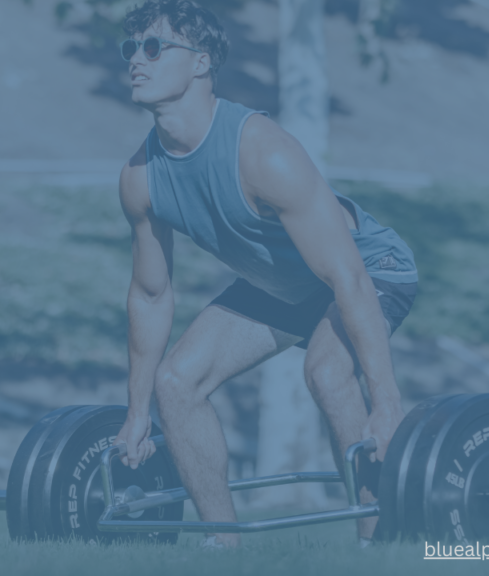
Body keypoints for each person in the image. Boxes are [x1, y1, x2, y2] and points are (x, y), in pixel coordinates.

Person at [111, 0, 418, 548]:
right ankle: (221, 543)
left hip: (370, 267)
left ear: (201, 62)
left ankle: (378, 544)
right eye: (130, 48)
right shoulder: (140, 178)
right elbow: (151, 295)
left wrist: (388, 403)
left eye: (154, 47)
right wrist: (137, 413)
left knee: (327, 372)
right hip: (281, 285)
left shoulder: (262, 153)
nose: (137, 59)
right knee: (176, 383)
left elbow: (347, 274)